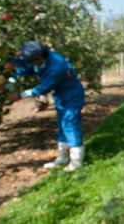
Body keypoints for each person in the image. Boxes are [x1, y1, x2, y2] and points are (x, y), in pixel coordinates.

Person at [6, 42, 85, 171]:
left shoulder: (56, 67)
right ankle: (63, 157)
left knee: (69, 122)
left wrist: (19, 95)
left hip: (72, 95)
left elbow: (43, 88)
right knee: (61, 124)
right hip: (60, 94)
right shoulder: (39, 58)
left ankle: (76, 161)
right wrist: (9, 84)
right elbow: (26, 69)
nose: (29, 64)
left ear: (40, 59)